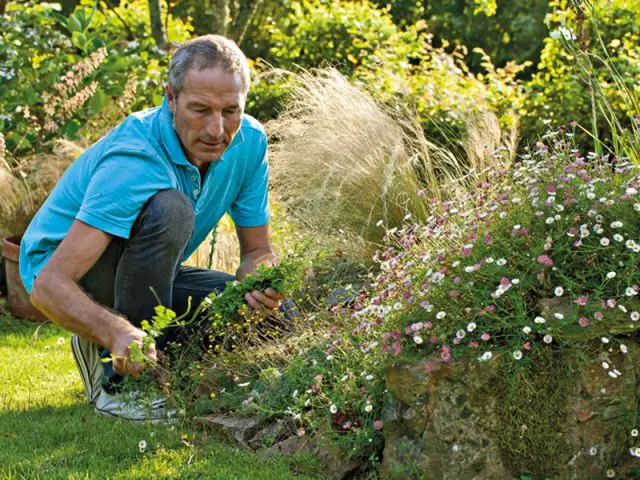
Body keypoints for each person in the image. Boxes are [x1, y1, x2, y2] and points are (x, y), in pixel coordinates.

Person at [20, 35, 282, 422]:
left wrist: (260, 278)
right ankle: (115, 375)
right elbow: (48, 285)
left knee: (275, 316)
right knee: (171, 209)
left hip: (152, 271)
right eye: (200, 109)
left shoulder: (250, 142)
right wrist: (116, 332)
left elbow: (257, 251)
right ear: (171, 99)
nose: (217, 129)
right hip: (66, 271)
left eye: (230, 110)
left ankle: (150, 354)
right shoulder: (136, 158)